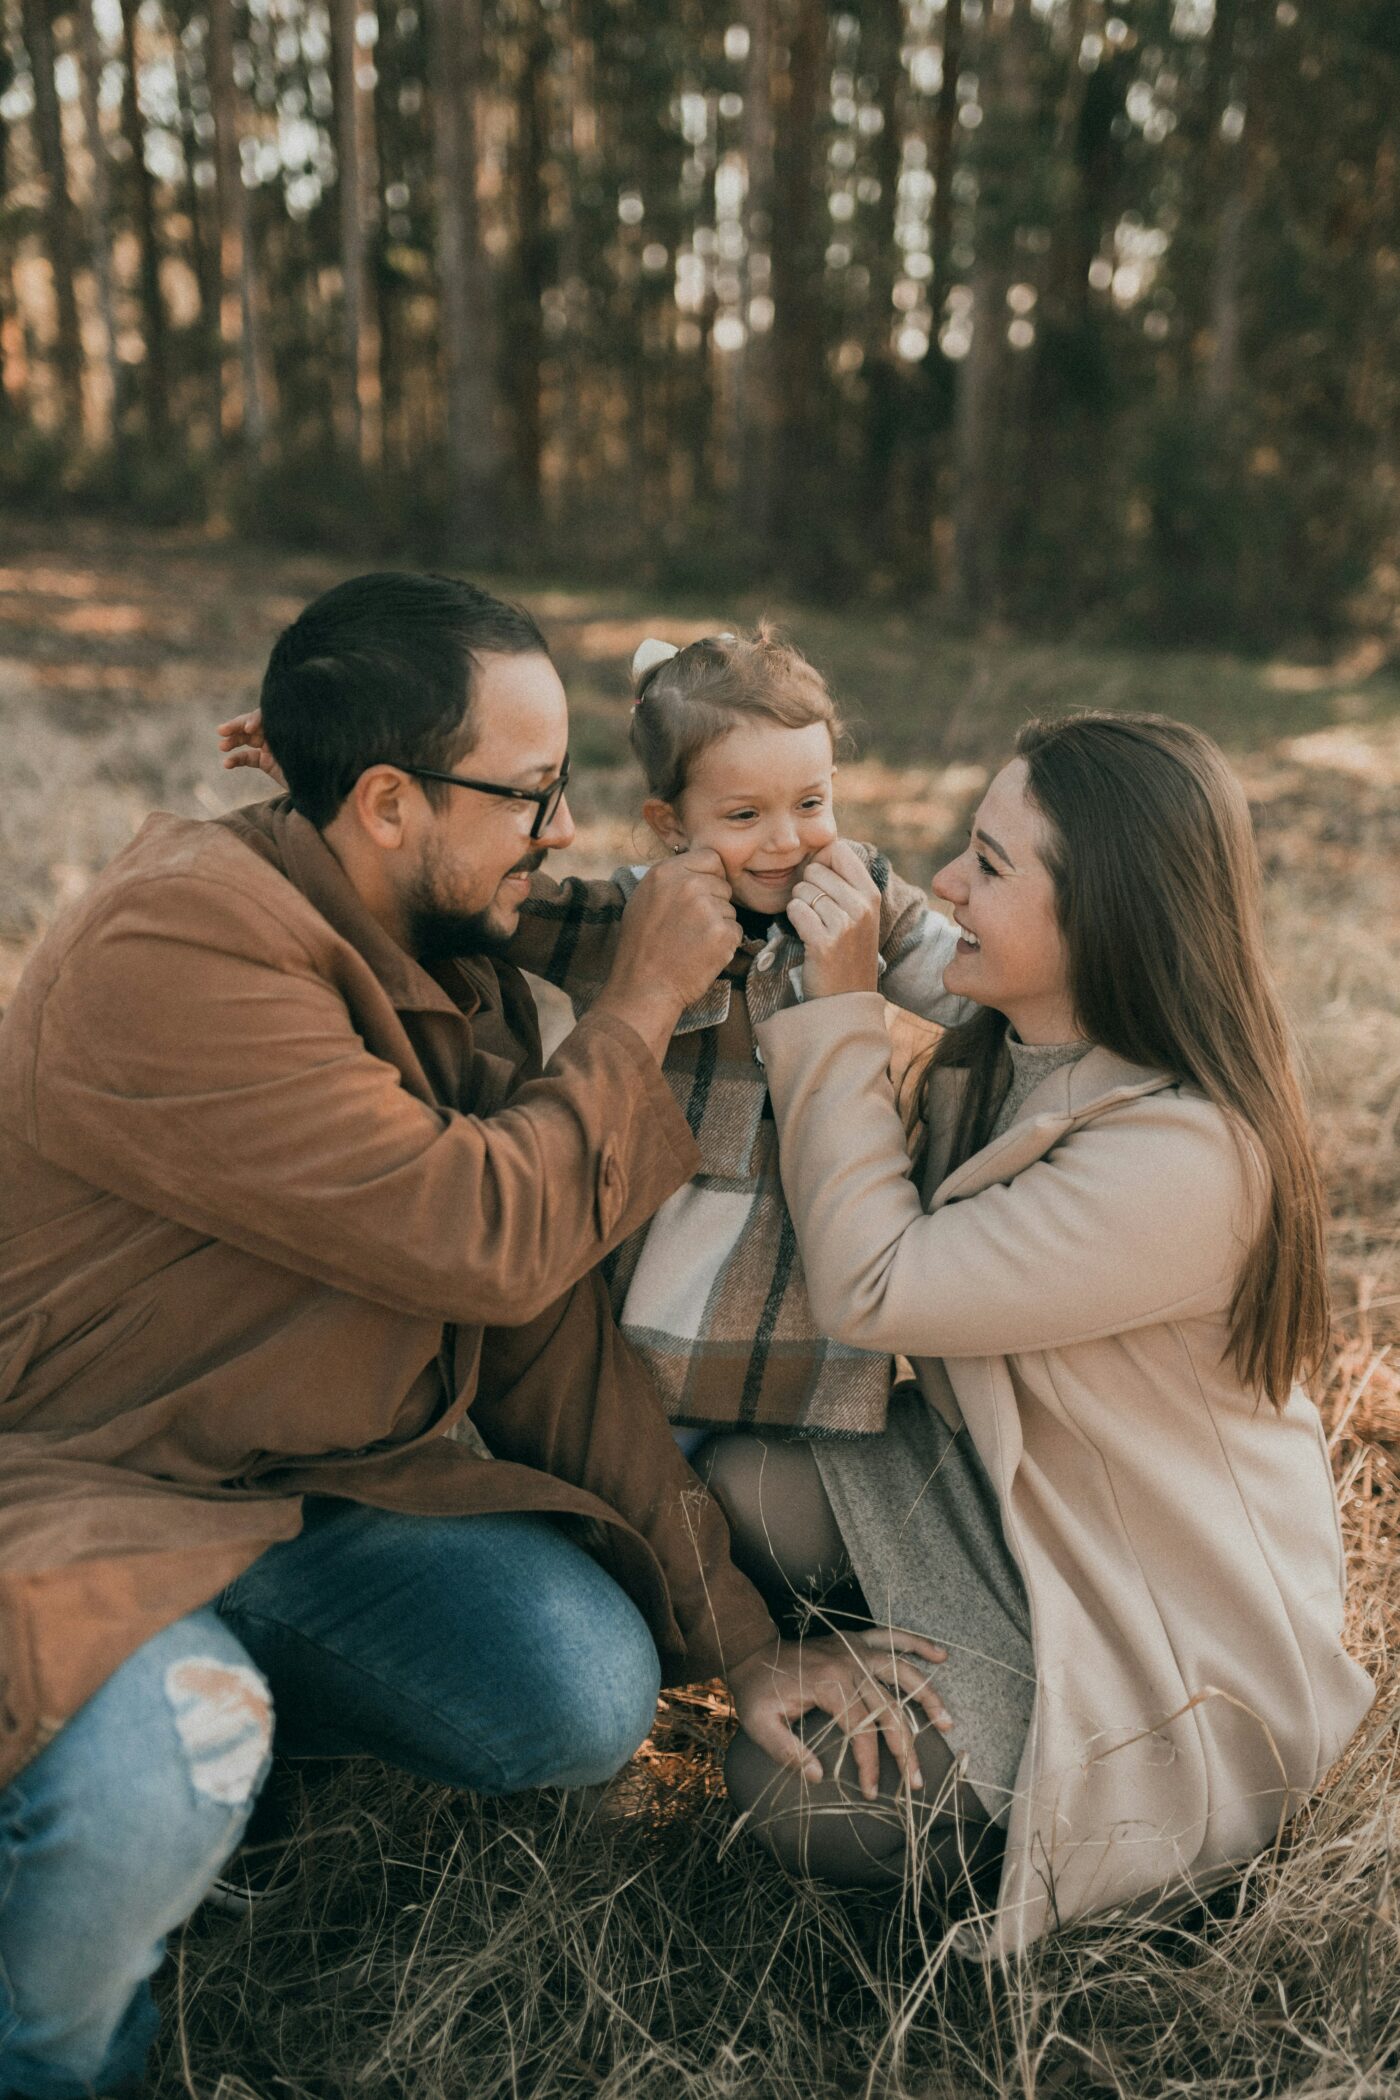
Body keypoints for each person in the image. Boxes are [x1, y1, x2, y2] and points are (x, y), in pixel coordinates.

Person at [0, 574, 945, 2100]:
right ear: (384, 802)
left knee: (578, 1688)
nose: (565, 835)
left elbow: (546, 1343)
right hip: (85, 1486)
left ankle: (218, 1738)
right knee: (164, 1763)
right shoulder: (175, 950)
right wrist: (636, 1010)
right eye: (530, 795)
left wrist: (749, 1648)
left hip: (297, 1506)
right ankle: (64, 2041)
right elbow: (483, 1236)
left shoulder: (449, 959)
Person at [708, 712, 1374, 1952]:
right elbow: (915, 934)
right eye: (967, 848)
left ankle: (1037, 1804)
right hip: (1001, 1504)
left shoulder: (1184, 1158)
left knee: (792, 1799)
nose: (948, 882)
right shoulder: (1037, 1031)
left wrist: (836, 1008)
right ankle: (884, 1660)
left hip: (1149, 1627)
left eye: (991, 865)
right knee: (739, 1482)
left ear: (1108, 918)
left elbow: (878, 1285)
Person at [224, 627, 968, 1453]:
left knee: (790, 1491)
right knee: (655, 1466)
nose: (786, 840)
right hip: (663, 1320)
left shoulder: (857, 891)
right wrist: (320, 767)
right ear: (670, 822)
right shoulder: (639, 918)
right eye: (745, 815)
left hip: (804, 1322)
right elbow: (472, 896)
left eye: (811, 803)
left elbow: (966, 978)